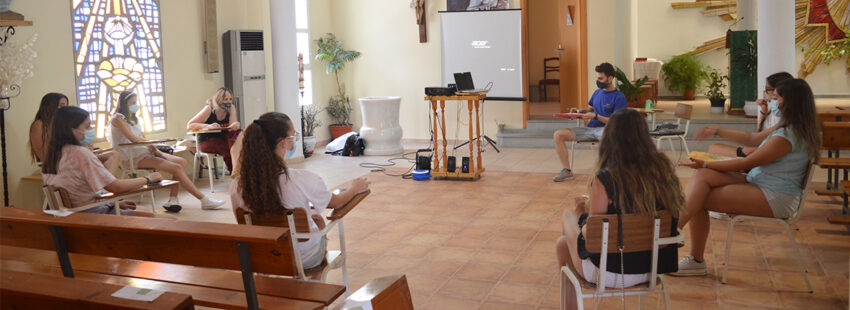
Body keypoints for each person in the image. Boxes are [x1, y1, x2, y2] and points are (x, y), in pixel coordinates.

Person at [673, 79, 820, 276]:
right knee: (702, 176)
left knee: (699, 197)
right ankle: (674, 234)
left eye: (776, 97)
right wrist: (706, 162)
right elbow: (751, 144)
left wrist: (707, 162)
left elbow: (746, 163)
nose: (771, 101)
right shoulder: (793, 127)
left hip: (775, 195)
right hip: (762, 182)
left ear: (790, 102)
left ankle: (677, 242)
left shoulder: (786, 136)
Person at [555, 109, 683, 296]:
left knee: (568, 216)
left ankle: (570, 300)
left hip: (612, 270)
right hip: (652, 267)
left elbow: (592, 235)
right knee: (562, 244)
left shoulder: (606, 179)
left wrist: (580, 214)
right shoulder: (663, 170)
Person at [230, 112, 370, 269]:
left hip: (265, 254)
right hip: (303, 257)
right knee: (317, 222)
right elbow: (336, 203)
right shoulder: (302, 179)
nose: (293, 142)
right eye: (292, 137)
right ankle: (315, 278)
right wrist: (355, 188)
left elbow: (242, 220)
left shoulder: (238, 185)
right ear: (283, 142)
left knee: (313, 219)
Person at [108, 91, 225, 212]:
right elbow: (133, 138)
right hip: (132, 157)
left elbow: (141, 137)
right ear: (124, 103)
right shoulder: (118, 118)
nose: (135, 105)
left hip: (145, 151)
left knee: (182, 162)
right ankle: (204, 200)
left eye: (136, 102)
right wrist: (150, 143)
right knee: (176, 167)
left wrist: (154, 147)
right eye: (133, 103)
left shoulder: (134, 119)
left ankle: (172, 200)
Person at [41, 106, 161, 216]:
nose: (91, 129)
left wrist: (111, 204)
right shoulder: (80, 153)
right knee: (167, 220)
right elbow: (116, 187)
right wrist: (148, 179)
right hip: (90, 214)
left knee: (144, 210)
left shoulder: (52, 155)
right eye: (87, 126)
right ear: (72, 130)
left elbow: (80, 196)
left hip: (73, 213)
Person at [553, 62, 627, 182]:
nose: (598, 81)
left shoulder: (619, 97)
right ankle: (567, 171)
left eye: (600, 78)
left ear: (610, 78)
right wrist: (579, 111)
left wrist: (596, 116)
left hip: (606, 130)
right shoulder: (597, 93)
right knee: (558, 134)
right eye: (597, 78)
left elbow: (616, 121)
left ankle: (609, 173)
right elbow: (591, 109)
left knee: (609, 138)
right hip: (589, 129)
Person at [29, 92, 121, 177]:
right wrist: (79, 150)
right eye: (62, 106)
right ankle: (109, 186)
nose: (65, 109)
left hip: (73, 158)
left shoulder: (62, 125)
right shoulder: (39, 125)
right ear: (51, 106)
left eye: (66, 106)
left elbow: (69, 144)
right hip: (59, 162)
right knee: (109, 157)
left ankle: (108, 184)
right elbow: (45, 155)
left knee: (113, 155)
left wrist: (85, 146)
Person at [707, 72, 794, 158]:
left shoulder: (783, 119)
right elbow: (760, 134)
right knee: (712, 151)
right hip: (756, 152)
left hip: (758, 154)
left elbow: (753, 140)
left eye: (768, 90)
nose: (765, 93)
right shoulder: (775, 111)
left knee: (712, 152)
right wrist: (764, 112)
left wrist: (717, 131)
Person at [187, 87, 241, 173]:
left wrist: (236, 125)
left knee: (237, 137)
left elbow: (232, 128)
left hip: (223, 138)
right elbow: (190, 125)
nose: (229, 102)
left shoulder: (231, 108)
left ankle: (238, 170)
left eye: (230, 99)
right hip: (207, 140)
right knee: (229, 148)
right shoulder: (209, 109)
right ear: (218, 100)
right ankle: (235, 172)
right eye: (225, 99)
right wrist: (207, 126)